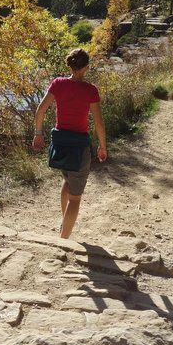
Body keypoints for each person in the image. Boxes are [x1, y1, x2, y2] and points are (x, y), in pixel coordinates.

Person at [32, 48, 107, 239]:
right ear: (86, 68)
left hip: (60, 144)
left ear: (71, 66)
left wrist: (38, 134)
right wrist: (102, 146)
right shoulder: (90, 90)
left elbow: (40, 111)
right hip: (79, 147)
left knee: (67, 179)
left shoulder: (58, 84)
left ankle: (64, 221)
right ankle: (63, 240)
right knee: (75, 198)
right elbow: (98, 122)